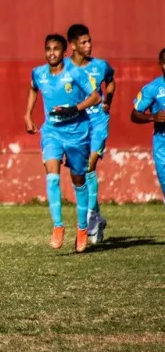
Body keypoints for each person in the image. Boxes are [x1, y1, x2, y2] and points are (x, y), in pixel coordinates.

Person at [24, 34, 100, 253]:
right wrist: (28, 114)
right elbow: (33, 88)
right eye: (48, 49)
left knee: (78, 180)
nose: (51, 53)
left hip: (77, 133)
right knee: (52, 176)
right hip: (52, 133)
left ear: (64, 52)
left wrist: (74, 109)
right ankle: (58, 226)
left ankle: (83, 229)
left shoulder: (75, 73)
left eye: (56, 49)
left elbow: (95, 96)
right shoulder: (38, 73)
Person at [67, 24, 115, 244]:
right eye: (83, 42)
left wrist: (108, 100)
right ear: (73, 46)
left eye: (89, 41)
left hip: (98, 122)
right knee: (81, 172)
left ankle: (90, 218)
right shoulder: (65, 68)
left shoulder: (100, 66)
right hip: (76, 125)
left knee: (90, 166)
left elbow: (111, 81)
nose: (89, 45)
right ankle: (96, 214)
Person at [130, 48, 165, 200]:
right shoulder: (153, 88)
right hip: (162, 142)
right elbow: (135, 114)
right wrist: (153, 117)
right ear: (160, 64)